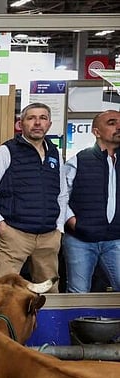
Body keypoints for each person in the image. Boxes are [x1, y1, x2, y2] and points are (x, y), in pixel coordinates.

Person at [0, 102, 68, 292]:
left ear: (49, 124)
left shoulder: (54, 153)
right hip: (13, 235)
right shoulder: (5, 151)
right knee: (3, 293)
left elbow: (62, 193)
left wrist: (59, 228)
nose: (37, 123)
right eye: (31, 118)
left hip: (48, 237)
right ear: (21, 124)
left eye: (43, 118)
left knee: (50, 294)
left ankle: (46, 324)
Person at [63, 109, 120, 293]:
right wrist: (74, 223)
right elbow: (60, 196)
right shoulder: (79, 160)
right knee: (78, 294)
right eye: (112, 123)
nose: (118, 127)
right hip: (81, 240)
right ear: (96, 131)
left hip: (116, 239)